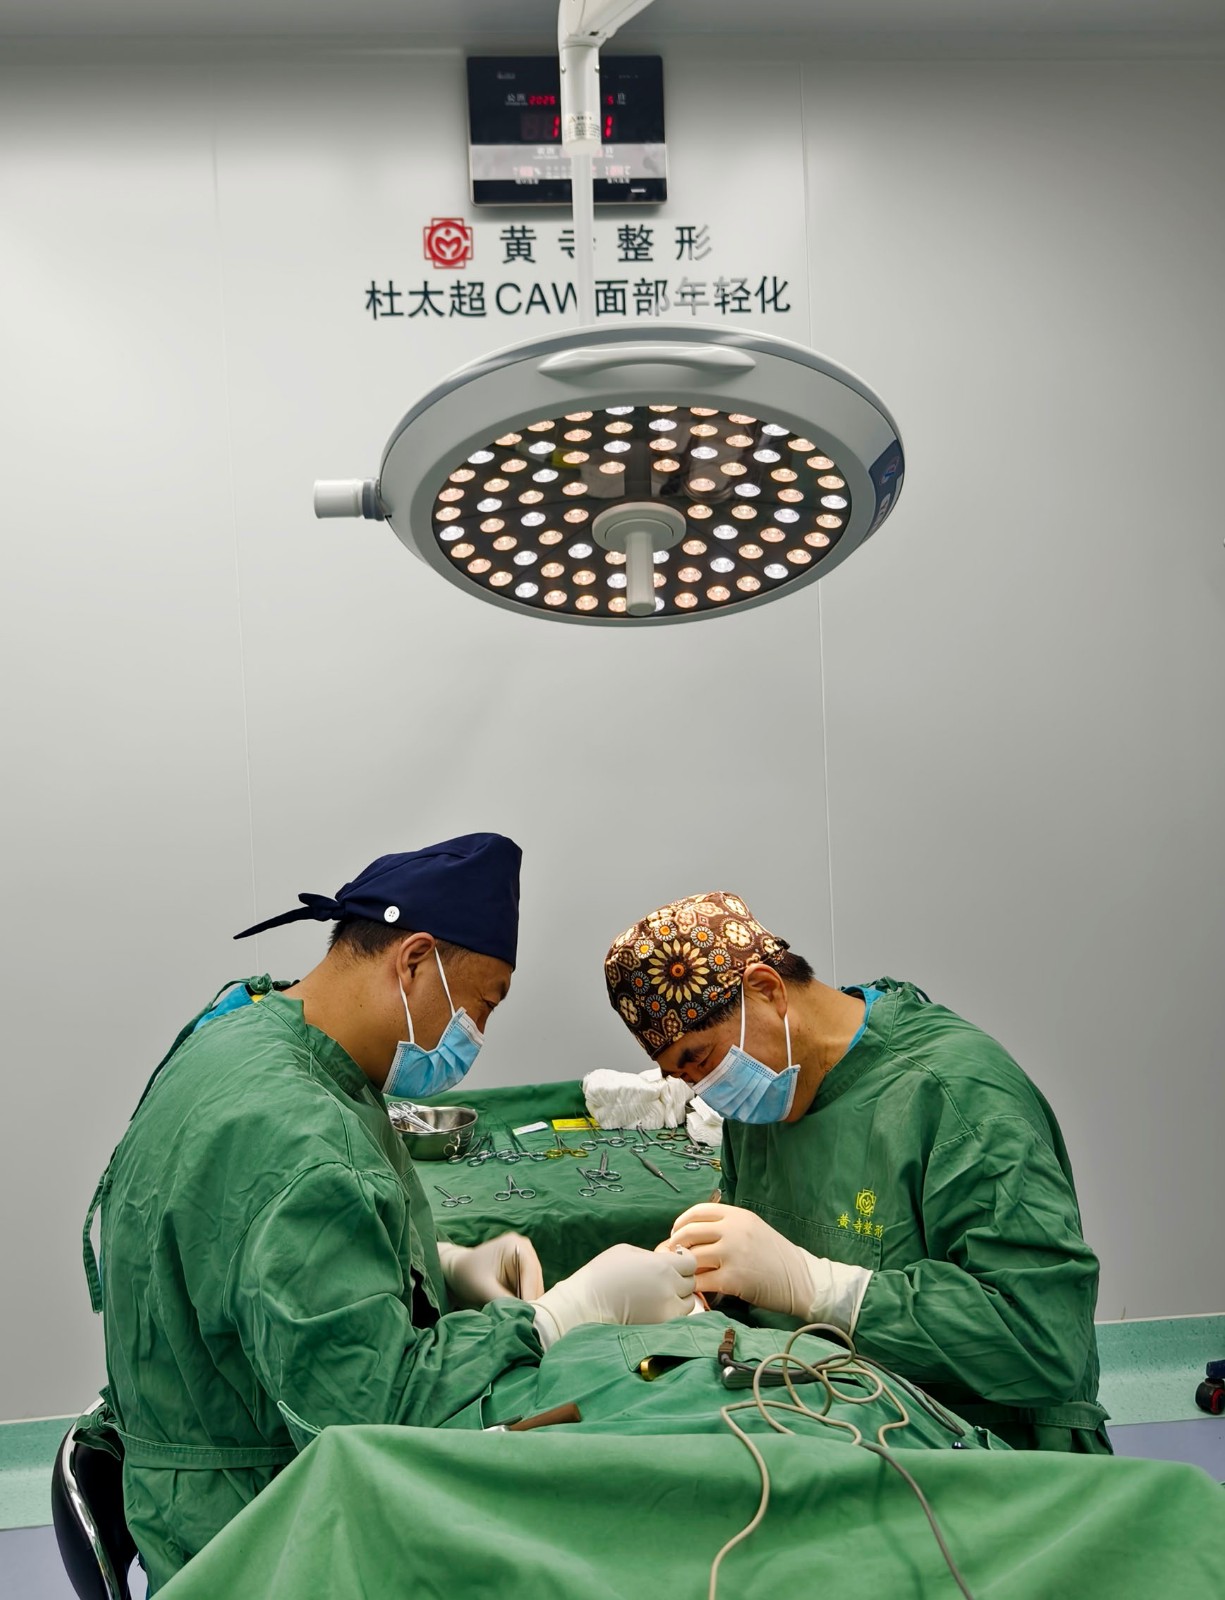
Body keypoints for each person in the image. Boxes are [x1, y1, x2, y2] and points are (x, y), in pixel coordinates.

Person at [82, 835, 695, 1591]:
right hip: (255, 1535)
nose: (477, 1033)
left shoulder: (247, 1027)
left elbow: (244, 1250)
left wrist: (443, 1265)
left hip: (189, 1479)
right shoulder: (298, 1136)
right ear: (413, 961)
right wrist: (560, 1316)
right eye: (483, 1004)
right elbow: (373, 1417)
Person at [603, 891, 1112, 1454]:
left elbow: (1042, 1340)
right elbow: (755, 1273)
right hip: (819, 1411)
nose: (708, 1090)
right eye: (684, 1077)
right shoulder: (770, 1095)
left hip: (978, 1445)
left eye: (701, 1059)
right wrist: (704, 1288)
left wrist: (822, 1287)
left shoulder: (958, 1098)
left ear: (767, 990)